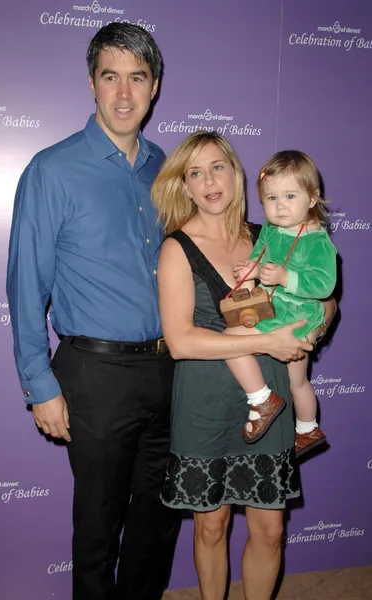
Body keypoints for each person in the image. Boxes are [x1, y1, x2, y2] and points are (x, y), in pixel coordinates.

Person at [6, 23, 181, 600]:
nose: (125, 94)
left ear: (154, 87)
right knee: (99, 528)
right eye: (112, 77)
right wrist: (39, 384)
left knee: (157, 526)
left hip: (172, 370)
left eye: (138, 78)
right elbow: (25, 285)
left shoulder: (170, 170)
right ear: (91, 84)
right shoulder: (52, 170)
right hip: (95, 376)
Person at [151, 131, 336, 600]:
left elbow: (325, 297)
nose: (209, 181)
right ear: (184, 186)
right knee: (210, 528)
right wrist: (272, 337)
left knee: (270, 530)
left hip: (273, 397)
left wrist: (314, 328)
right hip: (206, 402)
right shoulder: (176, 248)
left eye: (219, 167)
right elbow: (180, 341)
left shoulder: (270, 232)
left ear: (236, 175)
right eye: (196, 172)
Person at [224, 150, 336, 457]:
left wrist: (286, 278)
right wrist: (251, 270)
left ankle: (261, 399)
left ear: (312, 198)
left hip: (296, 315)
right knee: (297, 381)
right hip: (276, 308)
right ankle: (308, 427)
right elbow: (260, 254)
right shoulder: (271, 230)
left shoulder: (317, 241)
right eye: (271, 198)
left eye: (290, 195)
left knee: (231, 340)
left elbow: (325, 285)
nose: (280, 205)